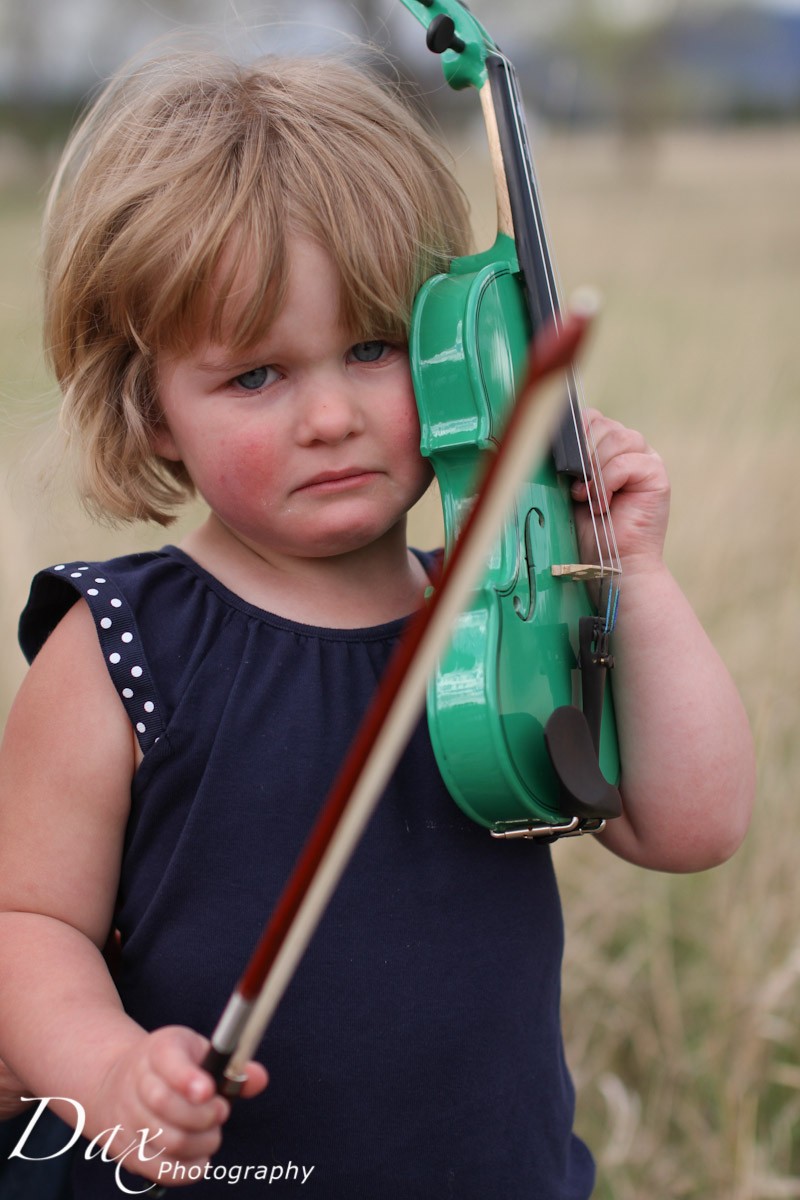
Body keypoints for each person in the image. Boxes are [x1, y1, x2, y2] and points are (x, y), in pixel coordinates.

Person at [0, 46, 754, 1198]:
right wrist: (103, 1073)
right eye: (256, 376)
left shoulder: (508, 614)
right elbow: (26, 919)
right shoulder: (116, 648)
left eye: (373, 348)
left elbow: (689, 823)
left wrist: (630, 573)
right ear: (150, 409)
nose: (330, 416)